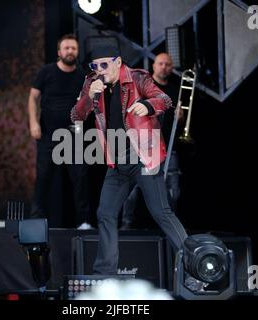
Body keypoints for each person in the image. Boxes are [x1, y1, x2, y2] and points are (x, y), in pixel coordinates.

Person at [71, 46, 188, 275]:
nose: (99, 70)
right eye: (95, 66)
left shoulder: (136, 77)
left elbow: (164, 99)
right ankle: (105, 273)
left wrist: (147, 105)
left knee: (161, 212)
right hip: (117, 161)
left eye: (104, 65)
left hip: (143, 156)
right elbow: (77, 115)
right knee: (105, 212)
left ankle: (195, 263)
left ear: (117, 62)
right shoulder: (92, 84)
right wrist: (88, 96)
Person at [28, 34, 92, 229]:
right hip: (48, 134)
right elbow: (32, 98)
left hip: (75, 135)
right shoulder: (46, 72)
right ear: (59, 52)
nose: (70, 51)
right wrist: (33, 123)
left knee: (80, 178)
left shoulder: (83, 75)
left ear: (77, 51)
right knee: (44, 175)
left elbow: (89, 101)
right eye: (66, 48)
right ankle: (36, 219)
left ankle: (84, 221)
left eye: (73, 48)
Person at [121, 53, 183, 229]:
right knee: (133, 188)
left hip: (168, 146)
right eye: (160, 63)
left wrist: (180, 117)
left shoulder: (174, 90)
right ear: (154, 66)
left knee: (173, 189)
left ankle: (170, 225)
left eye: (167, 64)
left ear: (171, 68)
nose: (164, 67)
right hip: (144, 144)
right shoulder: (143, 86)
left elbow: (178, 121)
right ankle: (126, 225)